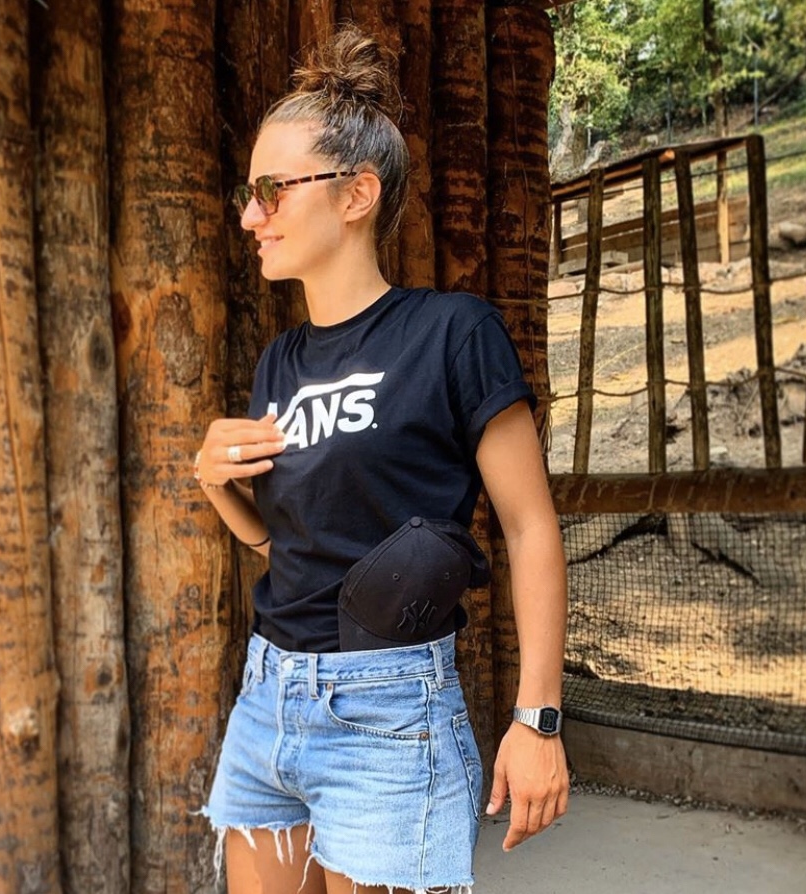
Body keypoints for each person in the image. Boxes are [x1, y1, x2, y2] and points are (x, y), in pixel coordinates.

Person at [195, 25, 568, 894]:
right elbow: (289, 547)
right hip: (269, 699)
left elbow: (530, 527)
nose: (250, 216)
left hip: (389, 714)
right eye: (248, 194)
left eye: (270, 191)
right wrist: (217, 488)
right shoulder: (279, 363)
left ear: (357, 194)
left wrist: (538, 719)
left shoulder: (453, 333)